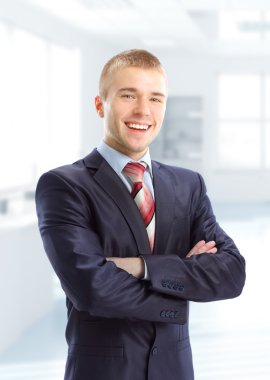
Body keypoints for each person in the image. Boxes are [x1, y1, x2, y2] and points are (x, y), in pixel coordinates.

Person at [35, 49, 246, 380]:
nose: (143, 110)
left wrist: (139, 267)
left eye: (156, 98)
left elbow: (232, 273)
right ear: (100, 104)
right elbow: (91, 289)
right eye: (128, 95)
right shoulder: (64, 186)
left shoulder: (188, 185)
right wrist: (180, 291)